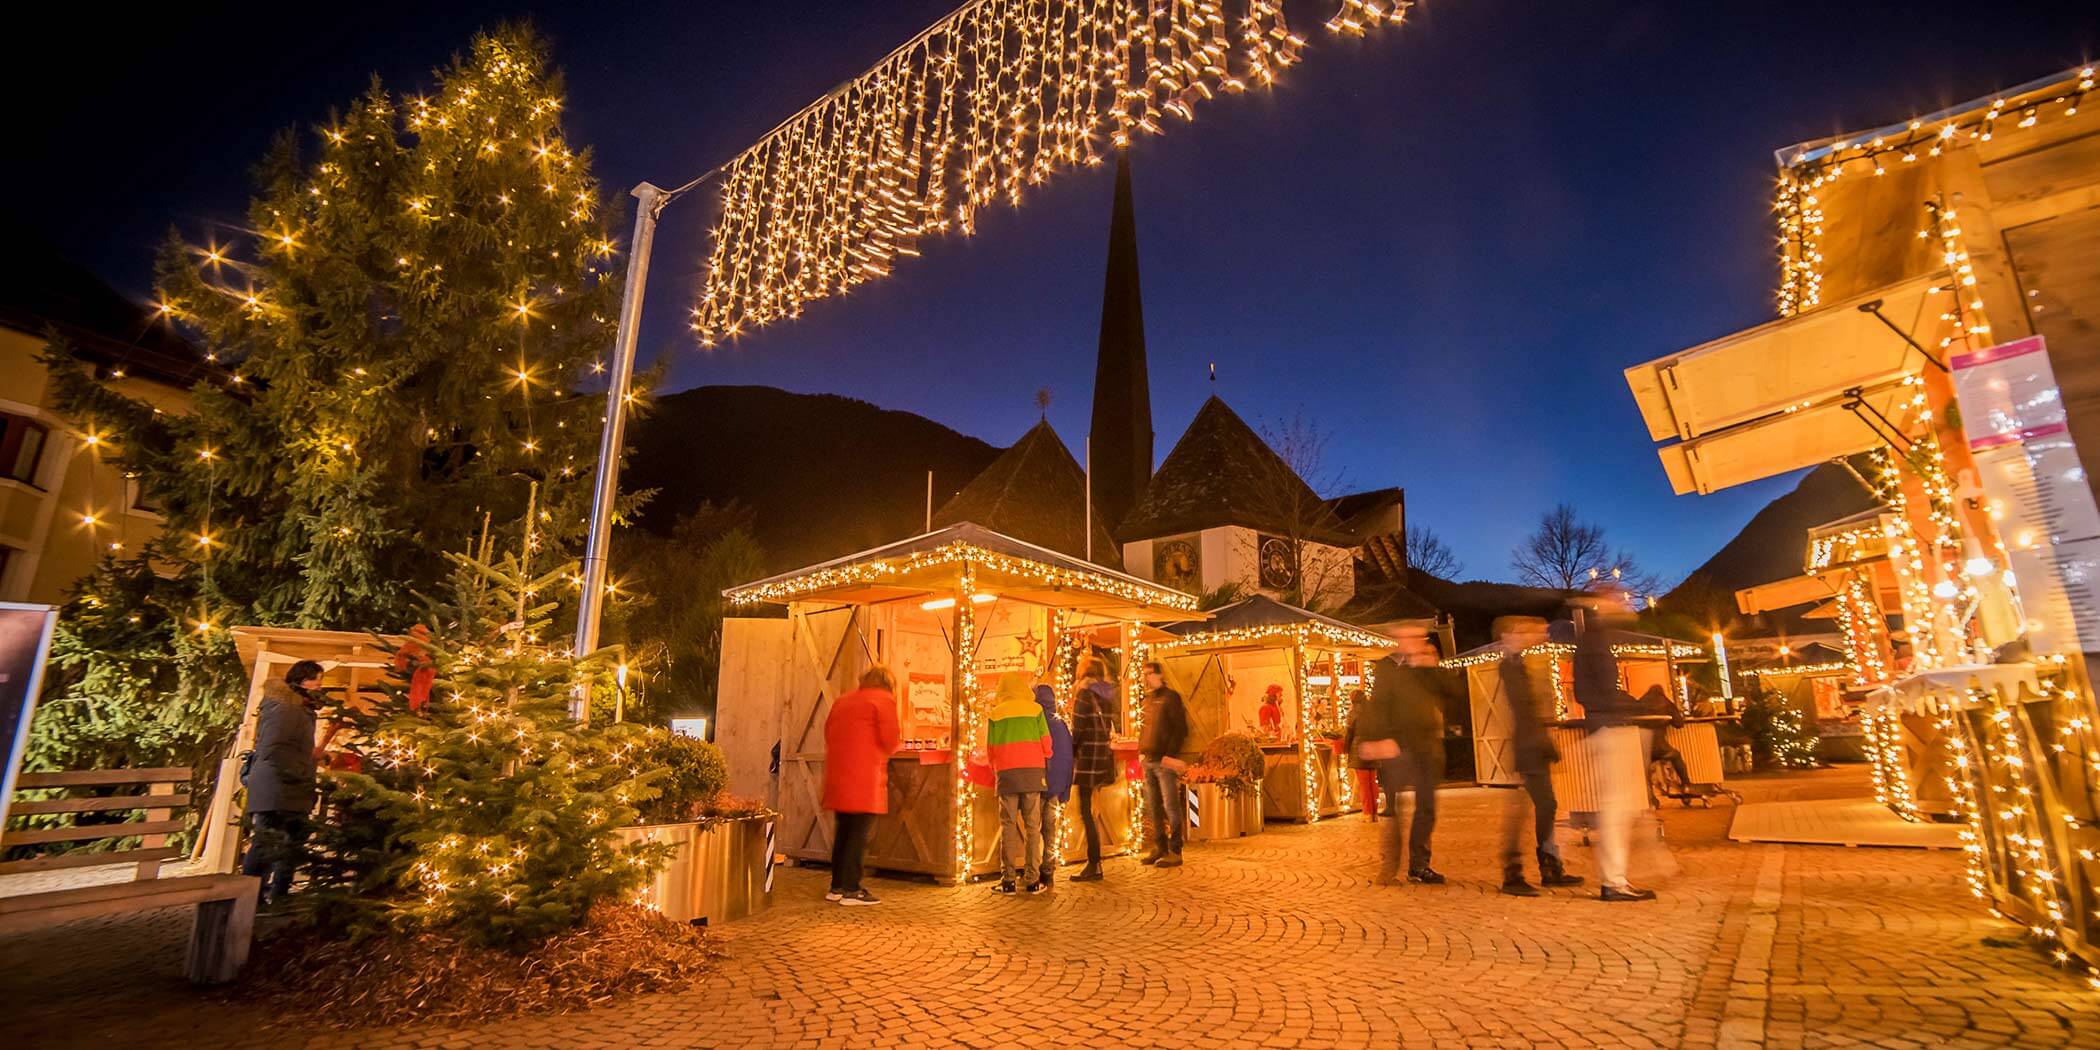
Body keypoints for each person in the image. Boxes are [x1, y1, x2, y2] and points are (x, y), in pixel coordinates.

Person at [1493, 617, 1584, 897]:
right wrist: (1539, 742)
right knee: (1527, 809)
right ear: (1509, 635)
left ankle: (1548, 865)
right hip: (1528, 747)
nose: (1535, 635)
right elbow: (1524, 710)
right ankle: (1516, 872)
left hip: (1532, 745)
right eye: (1526, 631)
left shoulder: (1520, 663)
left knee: (1544, 805)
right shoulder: (1510, 666)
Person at [1573, 611, 1658, 902]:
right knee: (1617, 807)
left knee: (1618, 805)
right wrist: (1631, 707)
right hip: (1610, 727)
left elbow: (1588, 692)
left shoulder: (1590, 642)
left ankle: (1615, 878)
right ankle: (1614, 880)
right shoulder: (1596, 643)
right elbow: (1603, 692)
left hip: (1604, 725)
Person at [1365, 627, 1459, 885]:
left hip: (1427, 747)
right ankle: (1390, 867)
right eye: (1410, 637)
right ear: (1399, 640)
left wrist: (1434, 666)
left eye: (1420, 637)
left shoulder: (1426, 670)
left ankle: (1419, 865)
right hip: (1399, 747)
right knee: (1395, 809)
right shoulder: (1386, 668)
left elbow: (1453, 692)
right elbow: (1378, 705)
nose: (1417, 642)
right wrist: (1376, 738)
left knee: (1426, 808)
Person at [243, 660, 326, 906]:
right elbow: (274, 747)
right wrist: (300, 769)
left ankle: (279, 896)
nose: (320, 686)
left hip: (291, 784)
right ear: (302, 680)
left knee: (292, 842)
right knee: (267, 843)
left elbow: (294, 747)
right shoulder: (286, 707)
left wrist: (311, 760)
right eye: (317, 680)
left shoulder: (301, 709)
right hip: (278, 785)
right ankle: (249, 899)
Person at [823, 665, 902, 906]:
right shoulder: (883, 701)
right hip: (865, 776)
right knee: (859, 835)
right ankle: (852, 889)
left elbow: (828, 732)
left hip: (838, 774)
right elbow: (891, 740)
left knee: (844, 832)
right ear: (888, 683)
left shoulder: (843, 701)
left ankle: (836, 886)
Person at [987, 671, 1054, 894]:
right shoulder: (1036, 710)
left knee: (1007, 825)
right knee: (1033, 826)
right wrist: (1043, 755)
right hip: (1033, 772)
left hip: (1007, 773)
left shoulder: (995, 713)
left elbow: (991, 749)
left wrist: (997, 767)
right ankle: (1032, 880)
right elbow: (1047, 743)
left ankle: (1008, 880)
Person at [1069, 658, 1119, 881]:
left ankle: (1093, 861)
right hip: (1101, 759)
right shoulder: (1106, 695)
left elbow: (1077, 729)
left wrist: (1070, 753)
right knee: (1093, 810)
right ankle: (1095, 861)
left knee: (1086, 811)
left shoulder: (1084, 694)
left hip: (1087, 760)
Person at [1138, 660, 1190, 868]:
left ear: (1160, 675)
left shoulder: (1171, 698)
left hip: (1164, 761)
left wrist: (1170, 754)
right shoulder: (1147, 700)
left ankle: (1175, 850)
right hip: (1149, 760)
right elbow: (1144, 727)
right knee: (1153, 807)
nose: (1146, 678)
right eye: (1144, 674)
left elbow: (1181, 729)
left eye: (1150, 673)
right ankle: (1160, 847)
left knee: (1170, 806)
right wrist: (1141, 750)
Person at [1033, 681, 1074, 887]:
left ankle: (1032, 869)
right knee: (1050, 827)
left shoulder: (1035, 722)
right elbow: (1068, 758)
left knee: (1033, 827)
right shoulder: (1061, 725)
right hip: (1056, 785)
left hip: (1037, 782)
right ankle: (1048, 868)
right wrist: (1066, 788)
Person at [1636, 684, 1693, 792]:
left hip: (1643, 748)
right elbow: (1679, 724)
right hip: (1661, 748)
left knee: (1645, 765)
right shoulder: (1666, 703)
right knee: (1676, 756)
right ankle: (1686, 784)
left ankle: (1649, 793)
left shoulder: (1639, 703)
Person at [1339, 689, 1378, 822]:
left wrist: (1346, 749)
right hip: (1372, 748)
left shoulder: (1353, 713)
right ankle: (1375, 813)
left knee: (1364, 784)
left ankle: (1367, 813)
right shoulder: (1373, 712)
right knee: (1372, 783)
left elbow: (1349, 733)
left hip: (1359, 749)